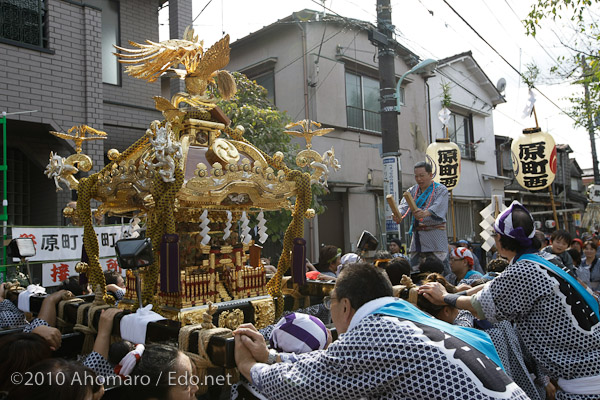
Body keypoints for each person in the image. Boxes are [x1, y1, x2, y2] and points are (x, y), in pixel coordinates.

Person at [233, 262, 529, 399]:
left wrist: (250, 367)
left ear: (345, 306)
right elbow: (329, 362)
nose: (330, 309)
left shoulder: (379, 331)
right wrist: (272, 358)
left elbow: (306, 383)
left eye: (330, 302)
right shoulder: (406, 318)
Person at [420, 200, 600, 399]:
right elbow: (495, 283)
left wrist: (445, 297)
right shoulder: (547, 261)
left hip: (584, 384)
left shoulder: (523, 270)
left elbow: (480, 306)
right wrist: (460, 293)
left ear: (500, 240)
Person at [394, 161, 449, 273]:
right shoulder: (412, 191)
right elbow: (404, 205)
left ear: (430, 174)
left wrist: (426, 213)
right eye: (416, 176)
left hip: (435, 238)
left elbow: (438, 205)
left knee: (440, 271)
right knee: (415, 272)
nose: (419, 179)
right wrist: (398, 214)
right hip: (418, 237)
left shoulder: (441, 189)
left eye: (422, 176)